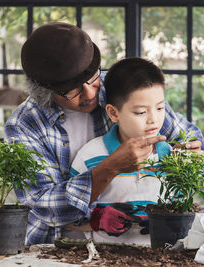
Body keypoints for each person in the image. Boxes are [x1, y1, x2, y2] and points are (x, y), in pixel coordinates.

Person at [4, 22, 204, 245]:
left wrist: (191, 148)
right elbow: (42, 204)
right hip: (54, 244)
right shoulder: (25, 124)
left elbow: (183, 134)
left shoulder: (119, 85)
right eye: (74, 90)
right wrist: (111, 168)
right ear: (45, 91)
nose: (91, 92)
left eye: (92, 78)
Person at [70, 57, 170, 245]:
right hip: (106, 257)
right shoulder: (89, 156)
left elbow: (185, 211)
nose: (153, 119)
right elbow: (70, 216)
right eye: (141, 112)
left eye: (160, 108)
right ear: (114, 113)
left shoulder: (171, 158)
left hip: (162, 256)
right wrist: (96, 218)